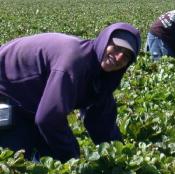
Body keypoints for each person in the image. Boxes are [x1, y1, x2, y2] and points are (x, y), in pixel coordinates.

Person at [0, 22, 141, 163]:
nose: (119, 57)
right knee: (16, 158)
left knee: (52, 155)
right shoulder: (74, 63)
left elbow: (102, 120)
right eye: (116, 48)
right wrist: (73, 158)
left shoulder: (102, 76)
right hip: (6, 89)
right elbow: (48, 118)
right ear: (104, 41)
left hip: (33, 98)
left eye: (127, 55)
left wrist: (122, 159)